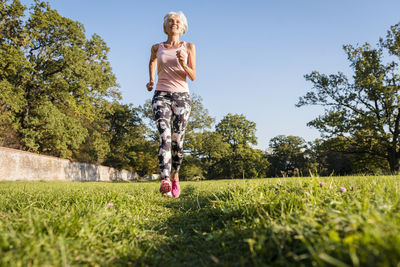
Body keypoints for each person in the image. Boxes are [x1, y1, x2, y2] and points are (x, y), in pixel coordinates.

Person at [146, 11, 196, 198]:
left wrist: (184, 64)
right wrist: (151, 80)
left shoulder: (189, 47)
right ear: (165, 26)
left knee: (177, 140)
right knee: (164, 136)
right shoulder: (156, 47)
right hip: (161, 95)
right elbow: (152, 61)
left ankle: (175, 175)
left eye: (177, 22)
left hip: (182, 96)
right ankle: (165, 179)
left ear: (182, 27)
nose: (173, 23)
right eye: (170, 21)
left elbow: (193, 76)